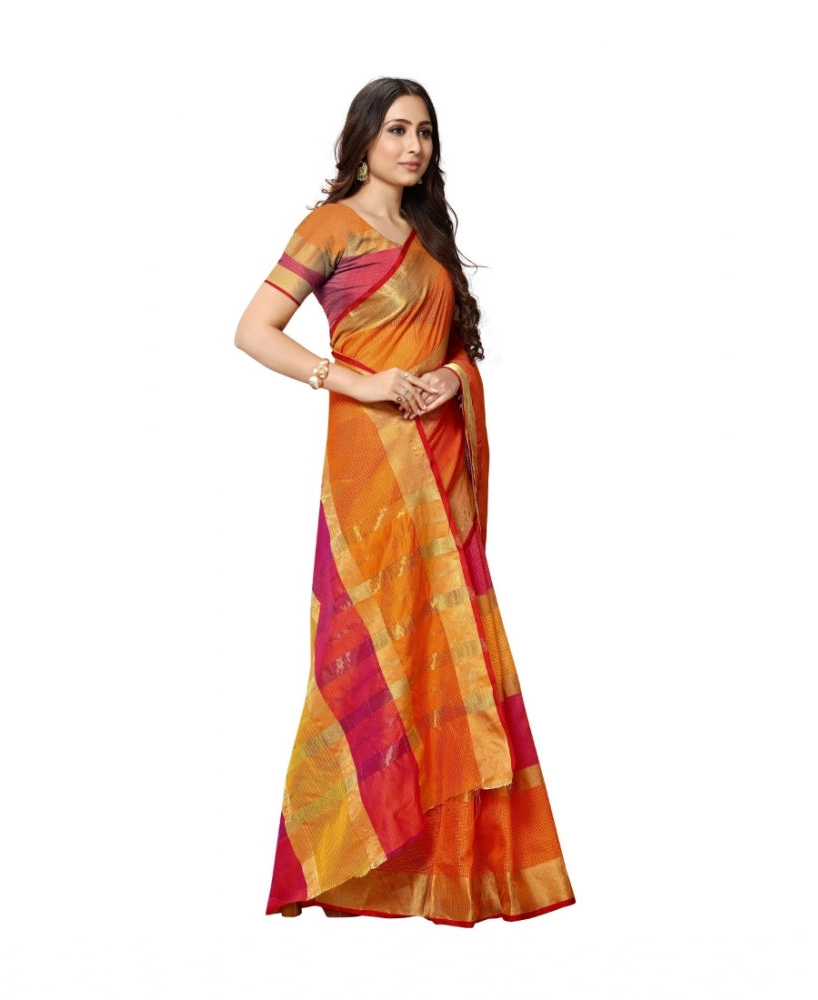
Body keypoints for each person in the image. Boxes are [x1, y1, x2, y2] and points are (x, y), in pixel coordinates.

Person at [234, 77, 575, 926]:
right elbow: (253, 331)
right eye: (396, 130)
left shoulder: (427, 235)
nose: (414, 145)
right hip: (370, 467)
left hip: (438, 458)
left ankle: (446, 866)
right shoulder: (329, 228)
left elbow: (458, 347)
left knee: (446, 640)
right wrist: (357, 381)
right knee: (366, 640)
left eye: (424, 131)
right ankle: (338, 860)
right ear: (362, 140)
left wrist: (452, 379)